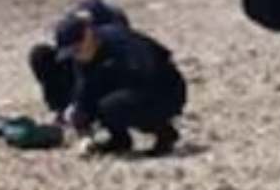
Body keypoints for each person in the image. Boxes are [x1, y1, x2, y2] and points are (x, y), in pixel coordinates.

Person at [50, 13, 187, 156]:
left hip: (165, 90)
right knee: (97, 103)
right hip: (130, 88)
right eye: (72, 52)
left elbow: (151, 75)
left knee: (111, 105)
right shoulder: (84, 56)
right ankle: (119, 140)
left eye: (77, 49)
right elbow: (84, 90)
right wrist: (82, 121)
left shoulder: (121, 43)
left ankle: (165, 133)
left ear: (88, 34)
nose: (76, 55)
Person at [28, 0, 130, 119]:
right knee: (41, 54)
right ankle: (61, 108)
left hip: (105, 77)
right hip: (78, 73)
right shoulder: (71, 25)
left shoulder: (113, 30)